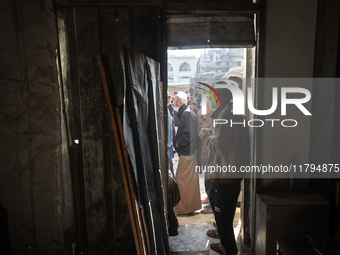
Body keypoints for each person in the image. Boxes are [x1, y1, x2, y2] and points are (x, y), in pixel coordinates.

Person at [206, 78, 250, 255]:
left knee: (223, 215)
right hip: (231, 173)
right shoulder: (233, 112)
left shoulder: (226, 115)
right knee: (225, 213)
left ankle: (228, 249)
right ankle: (226, 245)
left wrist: (207, 137)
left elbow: (219, 146)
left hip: (224, 176)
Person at [173, 91, 201, 215]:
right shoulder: (187, 112)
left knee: (182, 182)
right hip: (190, 153)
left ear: (179, 101)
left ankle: (184, 208)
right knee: (189, 183)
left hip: (187, 154)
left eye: (175, 99)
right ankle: (189, 207)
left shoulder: (185, 114)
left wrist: (178, 143)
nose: (173, 102)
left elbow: (188, 134)